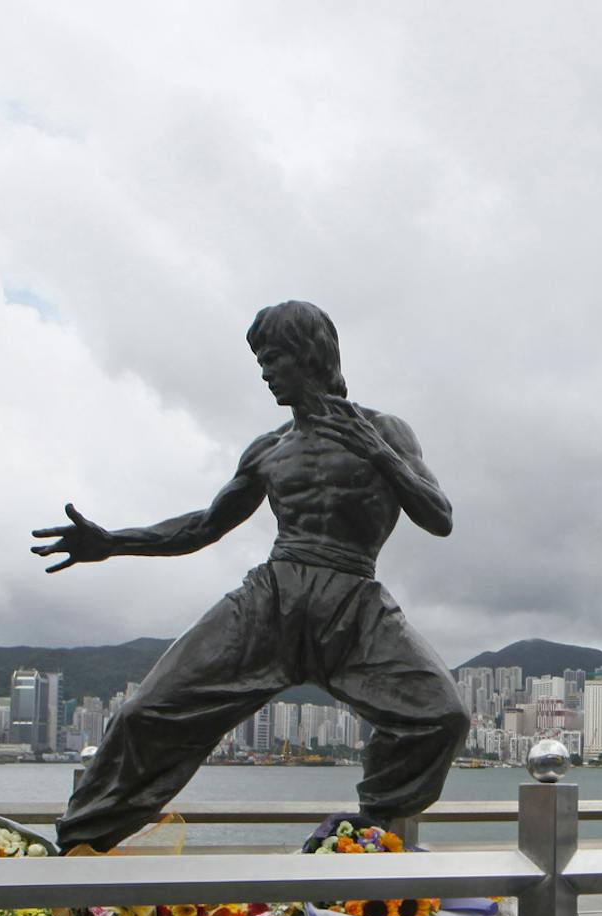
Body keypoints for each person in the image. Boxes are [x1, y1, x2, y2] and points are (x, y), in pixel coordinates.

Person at [32, 301, 469, 851]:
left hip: (352, 601)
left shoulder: (384, 430)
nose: (264, 372)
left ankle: (367, 835)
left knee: (442, 717)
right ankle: (81, 846)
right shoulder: (268, 450)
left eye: (273, 358)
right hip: (271, 598)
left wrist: (380, 455)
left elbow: (440, 518)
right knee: (147, 712)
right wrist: (114, 542)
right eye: (260, 360)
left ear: (309, 355)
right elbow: (203, 526)